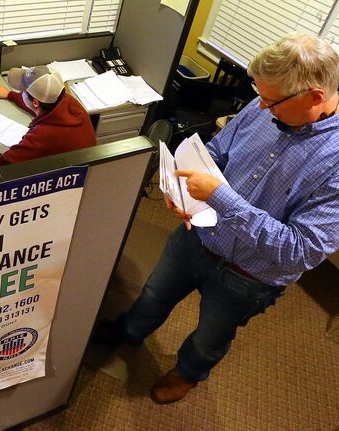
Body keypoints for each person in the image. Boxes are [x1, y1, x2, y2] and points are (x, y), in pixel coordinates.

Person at [95, 33, 339, 404]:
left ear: (315, 97)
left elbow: (299, 250)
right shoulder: (264, 103)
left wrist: (219, 198)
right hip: (197, 235)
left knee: (212, 335)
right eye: (261, 96)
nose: (260, 107)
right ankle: (130, 331)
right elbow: (217, 152)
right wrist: (183, 192)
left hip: (249, 275)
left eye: (271, 102)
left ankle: (188, 373)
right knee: (154, 294)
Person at [0, 66, 96, 167]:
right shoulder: (68, 101)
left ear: (35, 102)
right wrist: (10, 95)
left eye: (23, 91)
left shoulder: (43, 135)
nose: (21, 93)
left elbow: (1, 165)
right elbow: (41, 107)